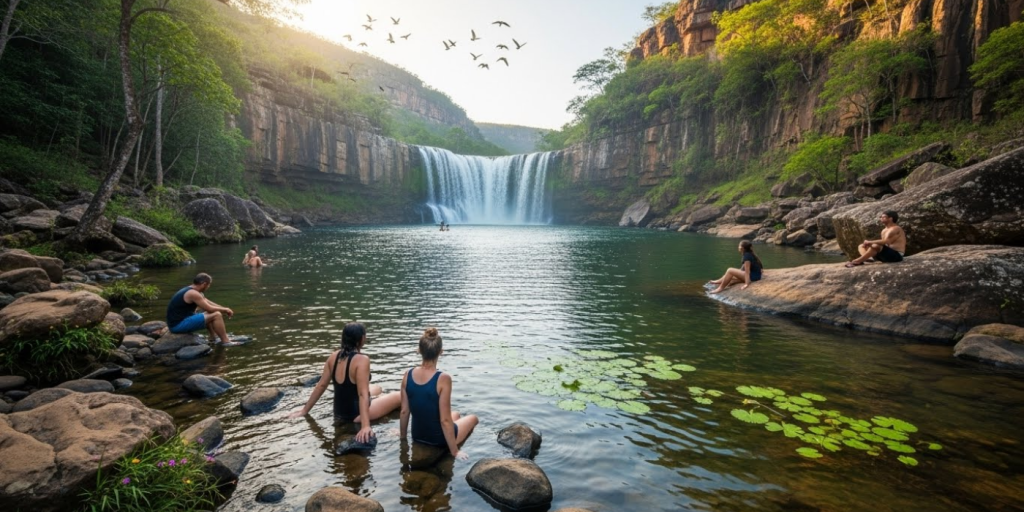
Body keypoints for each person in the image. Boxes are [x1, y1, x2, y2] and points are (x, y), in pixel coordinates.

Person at [287, 322, 402, 443]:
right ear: (361, 339)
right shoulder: (362, 360)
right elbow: (362, 394)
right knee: (400, 395)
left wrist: (304, 411)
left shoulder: (334, 356)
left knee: (377, 388)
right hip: (356, 416)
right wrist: (365, 426)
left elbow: (321, 385)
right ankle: (381, 410)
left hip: (339, 412)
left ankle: (379, 399)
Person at [400, 327, 478, 460]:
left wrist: (403, 438)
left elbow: (404, 412)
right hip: (439, 440)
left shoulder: (407, 375)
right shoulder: (443, 379)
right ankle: (453, 442)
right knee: (473, 418)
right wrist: (455, 451)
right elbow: (445, 420)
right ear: (441, 352)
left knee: (456, 414)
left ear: (419, 350)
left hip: (417, 436)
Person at [166, 273, 240, 346]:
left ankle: (213, 337)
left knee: (209, 312)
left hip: (180, 321)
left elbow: (208, 302)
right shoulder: (193, 293)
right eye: (209, 285)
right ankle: (226, 341)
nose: (208, 287)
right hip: (177, 326)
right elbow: (210, 308)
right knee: (216, 315)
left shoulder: (194, 291)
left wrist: (224, 308)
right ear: (204, 284)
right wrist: (225, 310)